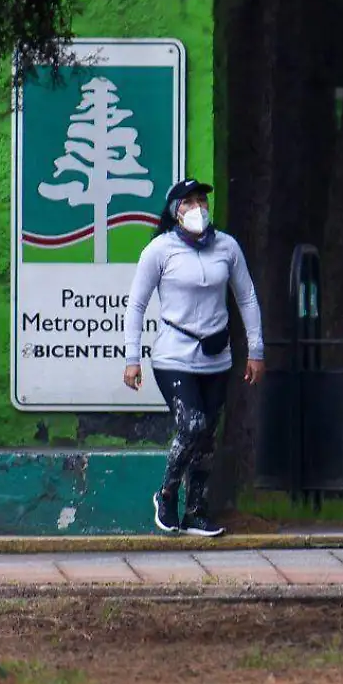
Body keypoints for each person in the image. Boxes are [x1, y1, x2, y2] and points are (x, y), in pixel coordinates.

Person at [123, 179, 264, 536]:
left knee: (207, 438)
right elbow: (136, 304)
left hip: (217, 357)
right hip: (173, 356)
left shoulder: (226, 247)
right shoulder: (159, 250)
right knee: (192, 425)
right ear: (175, 211)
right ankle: (167, 493)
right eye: (189, 202)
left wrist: (255, 349)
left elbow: (246, 297)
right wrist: (132, 356)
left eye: (201, 200)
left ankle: (197, 511)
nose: (198, 207)